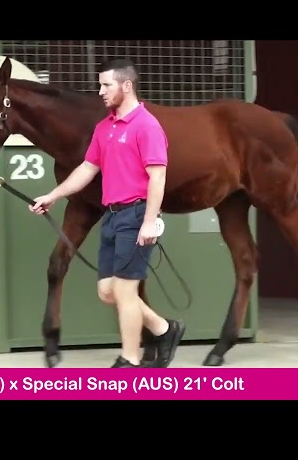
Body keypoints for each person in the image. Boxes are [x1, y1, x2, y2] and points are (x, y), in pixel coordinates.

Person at [28, 58, 186, 368]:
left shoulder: (147, 125)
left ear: (126, 86)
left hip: (137, 215)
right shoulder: (105, 128)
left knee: (125, 292)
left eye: (106, 85)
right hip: (112, 216)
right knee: (107, 291)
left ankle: (129, 359)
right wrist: (54, 195)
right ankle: (165, 329)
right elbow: (88, 168)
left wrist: (150, 221)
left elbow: (158, 177)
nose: (100, 91)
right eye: (100, 85)